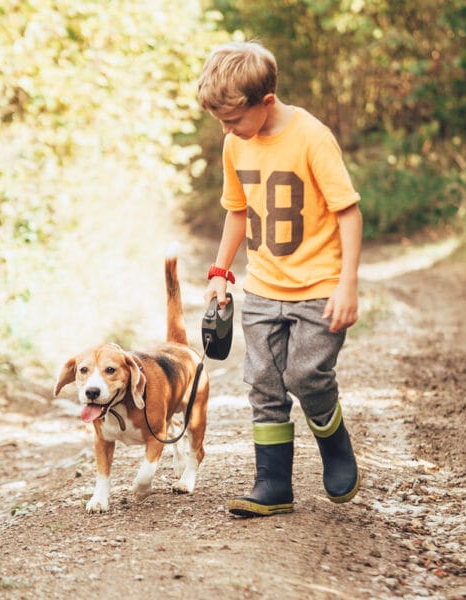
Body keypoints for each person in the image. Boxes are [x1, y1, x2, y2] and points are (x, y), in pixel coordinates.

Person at [198, 40, 363, 517]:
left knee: (306, 375)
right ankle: (272, 484)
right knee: (264, 381)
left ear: (265, 102)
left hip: (319, 288)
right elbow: (236, 212)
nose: (227, 130)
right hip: (263, 288)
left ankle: (334, 441)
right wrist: (220, 271)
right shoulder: (236, 143)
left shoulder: (311, 136)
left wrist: (347, 283)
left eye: (233, 120)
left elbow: (348, 213)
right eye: (222, 123)